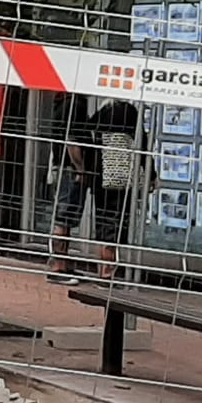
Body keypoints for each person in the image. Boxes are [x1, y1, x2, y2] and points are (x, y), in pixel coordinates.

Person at [47, 97, 140, 283]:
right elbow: (72, 139)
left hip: (65, 166)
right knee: (65, 217)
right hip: (72, 169)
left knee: (65, 217)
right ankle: (59, 267)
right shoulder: (75, 105)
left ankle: (62, 265)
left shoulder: (66, 104)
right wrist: (81, 169)